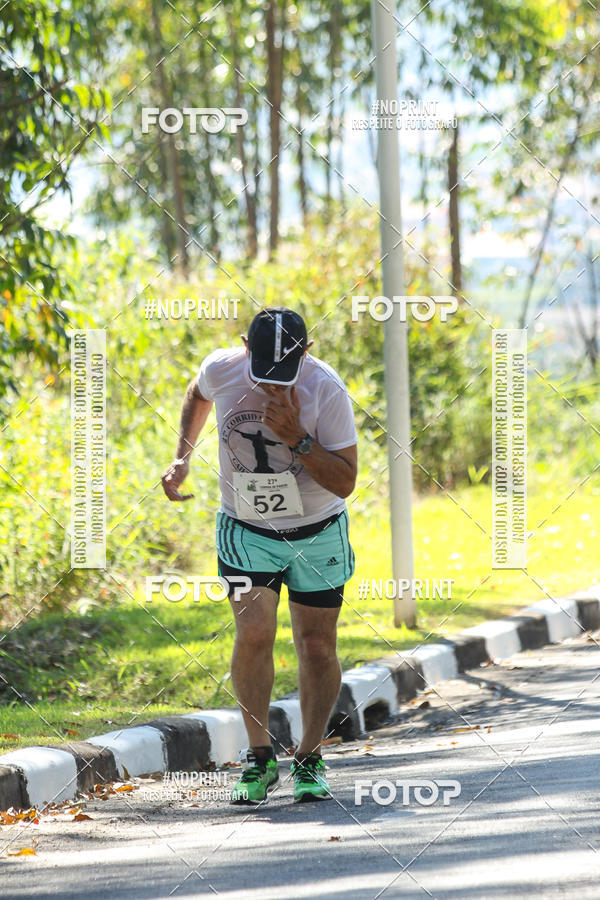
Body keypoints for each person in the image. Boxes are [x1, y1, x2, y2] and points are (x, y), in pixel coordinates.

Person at [162, 307, 357, 804]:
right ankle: (259, 758)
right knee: (253, 632)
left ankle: (310, 758)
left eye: (283, 372)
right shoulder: (222, 368)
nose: (272, 383)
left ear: (307, 353)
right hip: (246, 529)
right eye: (263, 370)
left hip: (318, 530)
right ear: (244, 348)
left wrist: (298, 438)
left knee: (317, 644)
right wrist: (183, 456)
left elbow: (345, 481)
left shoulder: (326, 389)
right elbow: (197, 393)